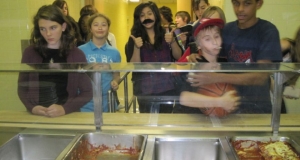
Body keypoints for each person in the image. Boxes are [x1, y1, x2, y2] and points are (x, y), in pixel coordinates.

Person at [187, 0, 282, 113]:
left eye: (247, 3)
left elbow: (261, 77)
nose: (240, 9)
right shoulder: (227, 30)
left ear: (259, 3)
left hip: (257, 108)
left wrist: (216, 77)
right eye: (236, 3)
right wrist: (197, 56)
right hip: (230, 106)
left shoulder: (268, 31)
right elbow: (215, 59)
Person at [17, 5, 93, 117]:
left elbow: (87, 92)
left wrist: (64, 109)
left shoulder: (76, 55)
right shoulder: (30, 52)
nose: (48, 34)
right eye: (43, 29)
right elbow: (22, 87)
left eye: (53, 28)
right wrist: (32, 108)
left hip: (67, 115)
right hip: (38, 116)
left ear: (63, 27)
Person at [125, 1, 182, 113]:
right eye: (142, 15)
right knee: (147, 124)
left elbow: (179, 56)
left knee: (165, 121)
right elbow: (133, 66)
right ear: (138, 19)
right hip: (145, 88)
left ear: (156, 15)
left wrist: (173, 41)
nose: (146, 17)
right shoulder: (134, 38)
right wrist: (137, 47)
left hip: (167, 86)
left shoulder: (167, 33)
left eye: (149, 13)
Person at [178, 18, 240, 113]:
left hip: (223, 121)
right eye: (207, 39)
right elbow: (184, 98)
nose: (215, 42)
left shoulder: (225, 63)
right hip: (198, 122)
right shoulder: (195, 65)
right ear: (198, 45)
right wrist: (219, 102)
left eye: (216, 36)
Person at [79, 13, 121, 112]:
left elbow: (116, 75)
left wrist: (115, 82)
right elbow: (76, 76)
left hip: (107, 102)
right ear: (90, 28)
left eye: (103, 25)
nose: (100, 28)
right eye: (96, 25)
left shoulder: (114, 52)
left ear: (108, 28)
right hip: (85, 102)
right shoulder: (80, 50)